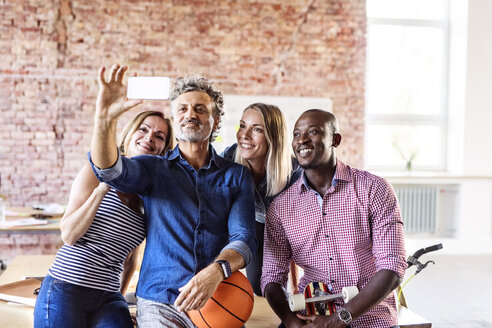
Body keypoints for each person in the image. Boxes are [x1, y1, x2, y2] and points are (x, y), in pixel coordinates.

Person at [89, 64, 256, 327]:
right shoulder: (152, 168)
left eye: (201, 109)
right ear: (175, 118)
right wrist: (103, 120)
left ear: (216, 121)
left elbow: (244, 239)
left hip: (218, 298)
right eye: (182, 108)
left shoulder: (236, 176)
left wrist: (216, 271)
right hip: (159, 302)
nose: (191, 114)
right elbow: (108, 170)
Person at [261, 109, 407, 328]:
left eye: (313, 131)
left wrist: (339, 318)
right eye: (297, 134)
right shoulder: (281, 207)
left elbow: (393, 267)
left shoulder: (374, 189)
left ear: (335, 140)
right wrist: (291, 322)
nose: (302, 139)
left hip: (370, 319)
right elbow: (271, 277)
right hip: (309, 317)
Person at [33, 110, 174, 328]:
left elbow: (131, 258)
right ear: (129, 134)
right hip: (68, 285)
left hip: (108, 297)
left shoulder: (149, 196)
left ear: (163, 150)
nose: (149, 138)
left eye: (159, 136)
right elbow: (69, 235)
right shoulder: (95, 169)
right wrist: (105, 185)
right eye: (143, 129)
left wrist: (121, 299)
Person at [222, 103, 302, 296]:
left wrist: (294, 285)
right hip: (242, 221)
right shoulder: (229, 157)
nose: (244, 135)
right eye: (242, 126)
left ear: (273, 137)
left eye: (257, 129)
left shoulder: (295, 171)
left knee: (261, 288)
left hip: (279, 228)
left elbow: (293, 231)